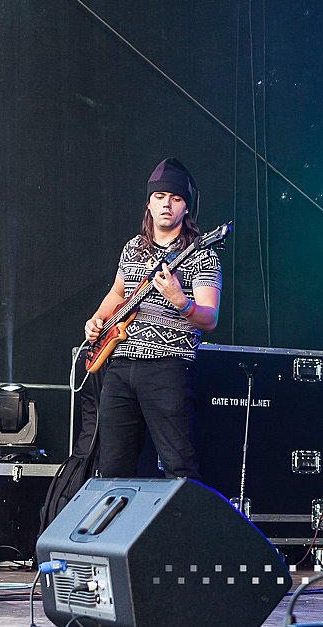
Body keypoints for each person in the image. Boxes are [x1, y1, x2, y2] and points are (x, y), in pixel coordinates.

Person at [84, 158, 221, 480]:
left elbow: (209, 318)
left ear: (186, 207)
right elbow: (117, 293)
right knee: (112, 466)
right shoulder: (133, 248)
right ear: (149, 203)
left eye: (175, 198)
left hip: (168, 367)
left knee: (178, 465)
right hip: (120, 366)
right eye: (160, 197)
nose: (166, 205)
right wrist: (96, 320)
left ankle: (182, 515)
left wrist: (180, 300)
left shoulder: (202, 254)